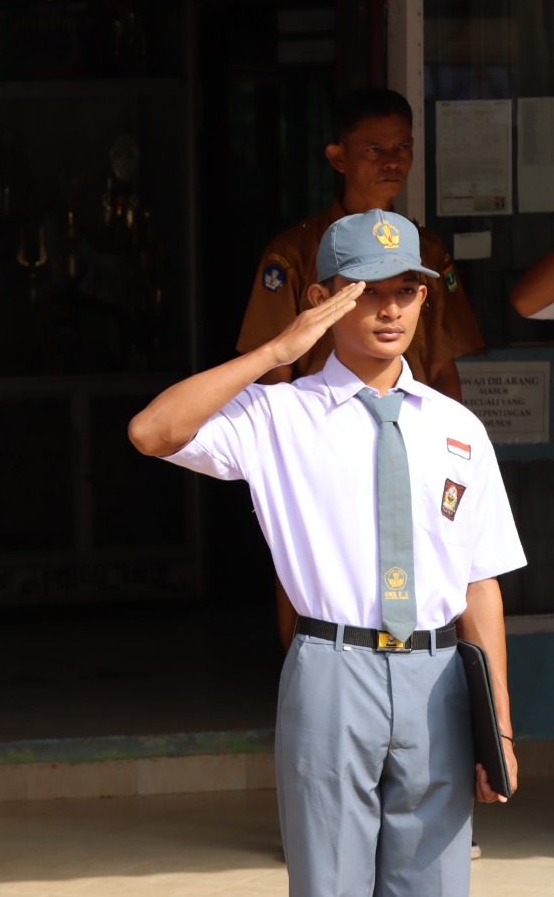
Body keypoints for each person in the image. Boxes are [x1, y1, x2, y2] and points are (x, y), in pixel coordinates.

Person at [130, 208, 524, 897]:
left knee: (435, 885)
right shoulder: (278, 414)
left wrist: (500, 728)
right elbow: (151, 431)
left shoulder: (457, 428)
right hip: (332, 668)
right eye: (366, 290)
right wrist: (275, 353)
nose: (390, 309)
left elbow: (480, 583)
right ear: (321, 298)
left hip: (438, 677)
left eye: (406, 289)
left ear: (426, 296)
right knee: (329, 885)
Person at [236, 88, 487, 649]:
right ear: (337, 158)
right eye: (374, 149)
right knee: (315, 578)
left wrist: (453, 435)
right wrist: (289, 444)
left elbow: (442, 363)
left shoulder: (428, 251)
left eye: (403, 147)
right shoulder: (297, 252)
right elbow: (273, 367)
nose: (392, 160)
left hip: (410, 428)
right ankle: (305, 680)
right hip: (326, 430)